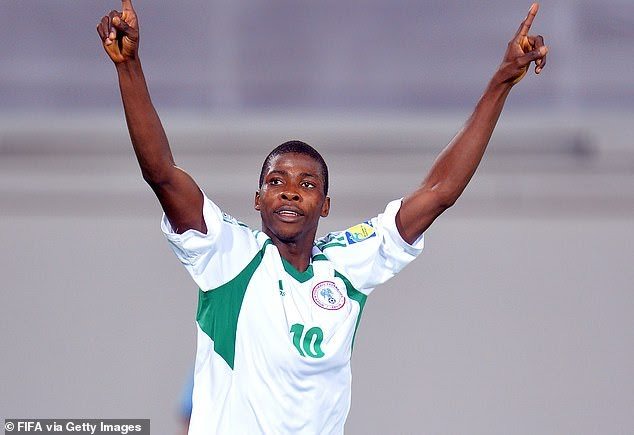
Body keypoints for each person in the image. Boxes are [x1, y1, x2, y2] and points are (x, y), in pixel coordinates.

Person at [97, 1, 548, 433]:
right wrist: (128, 67)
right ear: (257, 199)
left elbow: (440, 191)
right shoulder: (227, 254)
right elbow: (161, 174)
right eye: (276, 181)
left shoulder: (348, 263)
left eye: (308, 184)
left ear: (326, 205)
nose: (290, 190)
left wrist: (502, 80)